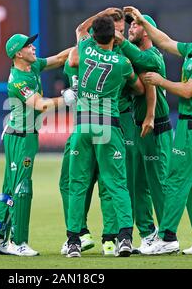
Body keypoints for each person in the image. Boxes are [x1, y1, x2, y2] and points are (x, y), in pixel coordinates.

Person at [125, 6, 192, 255]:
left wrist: (161, 82)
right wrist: (141, 20)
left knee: (176, 180)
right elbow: (165, 41)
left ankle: (167, 237)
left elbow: (189, 90)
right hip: (188, 124)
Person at [0, 33, 75, 256]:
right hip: (20, 137)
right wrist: (66, 99)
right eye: (28, 45)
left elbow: (59, 58)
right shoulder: (19, 79)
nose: (33, 47)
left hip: (22, 135)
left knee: (10, 185)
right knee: (22, 188)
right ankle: (18, 242)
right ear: (18, 53)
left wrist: (84, 44)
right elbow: (40, 104)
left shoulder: (32, 67)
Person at [66, 15, 144, 258]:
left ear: (94, 35)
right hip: (108, 127)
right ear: (114, 36)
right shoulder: (122, 63)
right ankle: (123, 239)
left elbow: (80, 28)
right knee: (117, 184)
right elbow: (140, 88)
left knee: (77, 185)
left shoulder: (86, 49)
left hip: (83, 126)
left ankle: (73, 242)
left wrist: (99, 16)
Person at [117, 14, 173, 253]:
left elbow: (146, 79)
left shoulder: (151, 56)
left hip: (157, 127)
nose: (131, 28)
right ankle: (148, 234)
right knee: (137, 184)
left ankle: (168, 237)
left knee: (158, 183)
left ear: (148, 31)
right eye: (131, 24)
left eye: (137, 24)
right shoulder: (134, 55)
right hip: (139, 127)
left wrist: (150, 114)